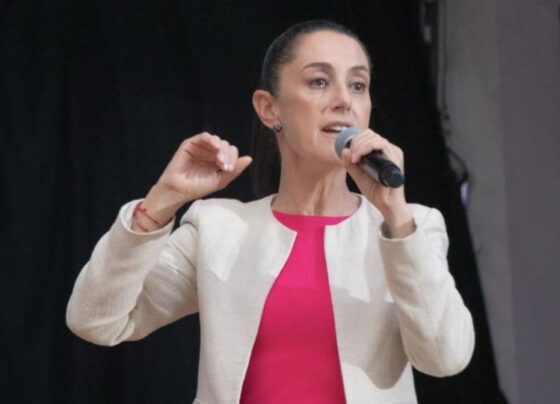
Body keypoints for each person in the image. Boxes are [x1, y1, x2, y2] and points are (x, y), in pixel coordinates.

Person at [66, 20, 474, 404]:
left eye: (358, 85)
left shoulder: (410, 228)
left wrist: (396, 216)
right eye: (319, 81)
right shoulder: (219, 229)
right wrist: (161, 202)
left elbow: (445, 358)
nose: (343, 100)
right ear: (268, 108)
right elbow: (96, 320)